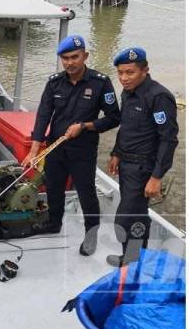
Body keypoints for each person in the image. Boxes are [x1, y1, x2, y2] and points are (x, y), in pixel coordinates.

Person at [22, 35, 121, 256]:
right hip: (56, 147)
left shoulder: (100, 82)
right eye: (65, 58)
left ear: (84, 56)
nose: (69, 62)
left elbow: (114, 117)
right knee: (53, 187)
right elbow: (43, 117)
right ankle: (53, 223)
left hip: (83, 150)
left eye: (74, 57)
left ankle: (91, 234)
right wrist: (34, 151)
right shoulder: (54, 82)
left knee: (86, 193)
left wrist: (86, 126)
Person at [106, 47, 179, 267]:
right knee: (136, 216)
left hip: (143, 168)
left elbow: (168, 139)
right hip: (127, 165)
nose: (123, 78)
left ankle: (133, 262)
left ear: (145, 70)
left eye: (130, 73)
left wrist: (156, 177)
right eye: (120, 73)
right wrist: (116, 153)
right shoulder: (127, 93)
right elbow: (127, 128)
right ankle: (134, 259)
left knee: (126, 218)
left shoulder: (158, 97)